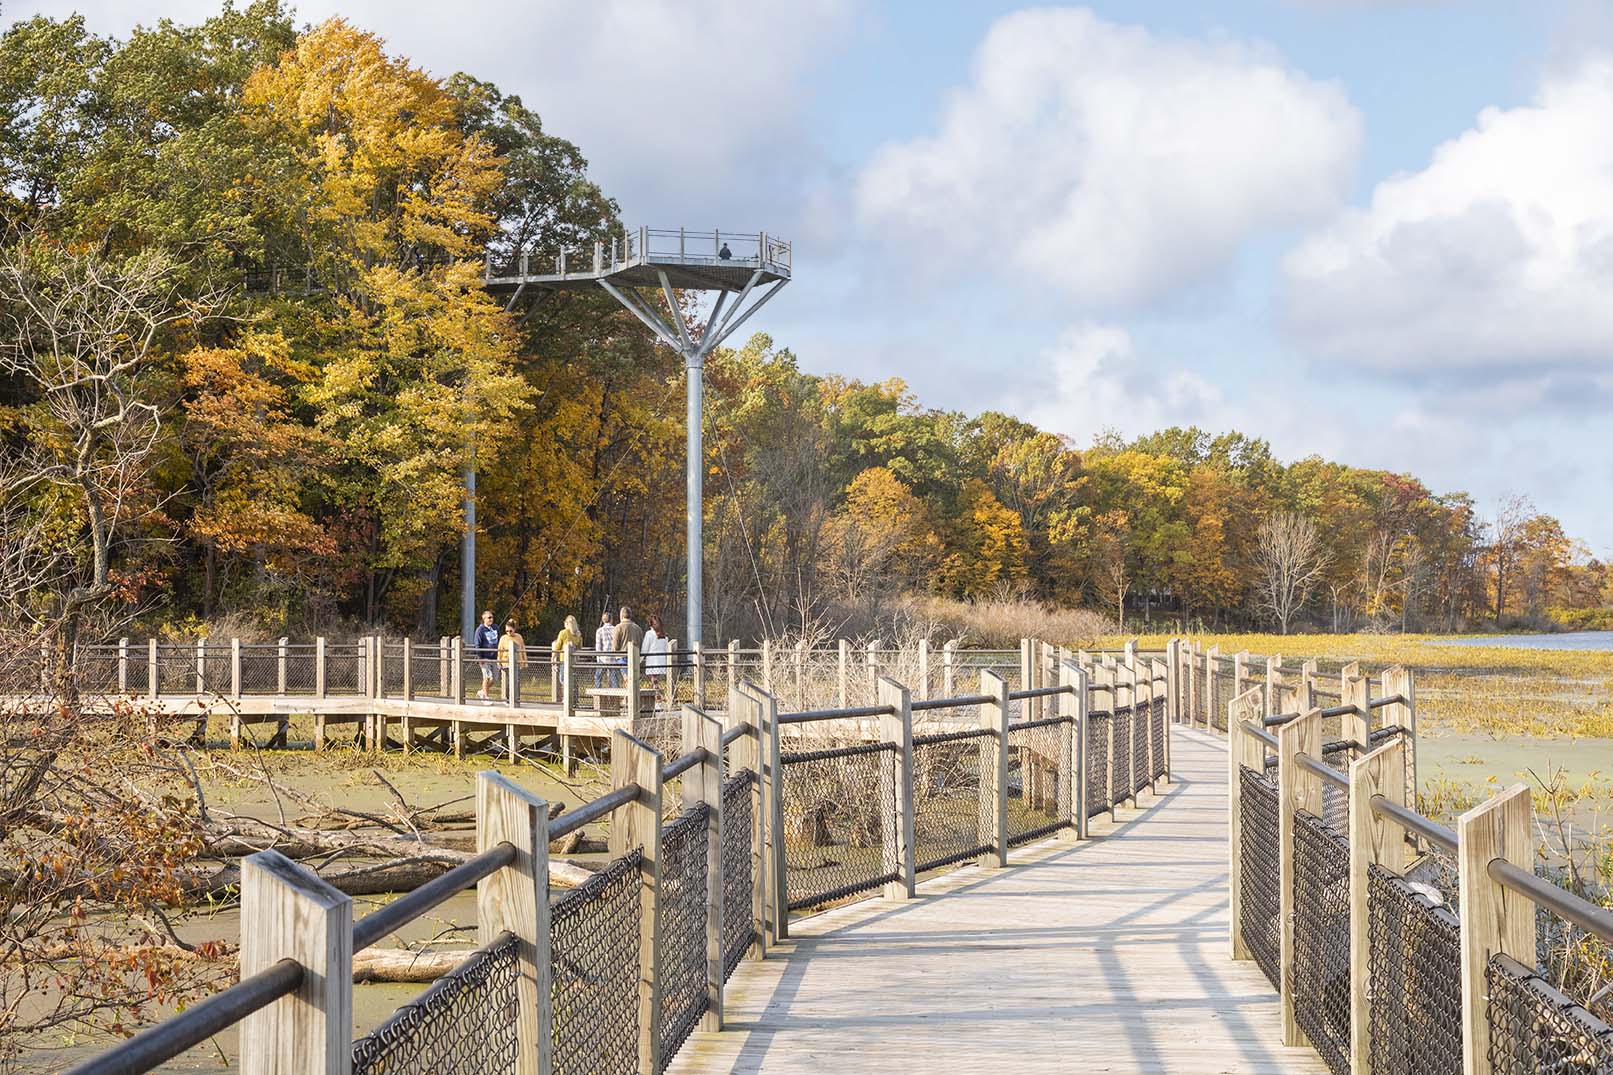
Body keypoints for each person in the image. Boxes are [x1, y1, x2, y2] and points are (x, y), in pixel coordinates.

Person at [496, 620, 527, 703]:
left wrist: (524, 661)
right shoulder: (503, 638)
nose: (508, 633)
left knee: (516, 681)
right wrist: (499, 661)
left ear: (514, 629)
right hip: (506, 662)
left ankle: (516, 698)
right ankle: (506, 699)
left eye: (510, 631)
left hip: (517, 662)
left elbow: (522, 649)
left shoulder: (519, 637)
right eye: (506, 631)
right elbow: (500, 650)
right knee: (507, 681)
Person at [612, 605, 643, 687]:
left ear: (621, 615)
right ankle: (629, 697)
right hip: (635, 657)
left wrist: (615, 654)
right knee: (633, 680)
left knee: (627, 679)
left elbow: (615, 645)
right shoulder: (638, 628)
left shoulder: (618, 627)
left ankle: (627, 698)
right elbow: (641, 642)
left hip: (622, 657)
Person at [472, 610, 500, 702]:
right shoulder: (480, 630)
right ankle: (485, 697)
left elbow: (499, 641)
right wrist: (480, 658)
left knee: (495, 679)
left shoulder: (495, 627)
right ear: (484, 619)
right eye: (489, 617)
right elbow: (477, 644)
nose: (491, 619)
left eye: (492, 617)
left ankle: (482, 691)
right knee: (487, 677)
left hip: (495, 657)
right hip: (485, 657)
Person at [642, 615, 669, 692]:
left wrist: (639, 659)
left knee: (654, 682)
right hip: (662, 662)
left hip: (652, 661)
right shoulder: (664, 635)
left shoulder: (649, 634)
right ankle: (657, 698)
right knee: (656, 682)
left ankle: (658, 699)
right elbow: (666, 649)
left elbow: (645, 648)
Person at [593, 611, 615, 688]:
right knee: (613, 678)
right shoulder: (615, 629)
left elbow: (598, 646)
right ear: (611, 620)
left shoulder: (599, 631)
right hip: (613, 658)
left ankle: (598, 693)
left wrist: (598, 658)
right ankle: (616, 696)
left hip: (603, 658)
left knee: (597, 677)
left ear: (603, 620)